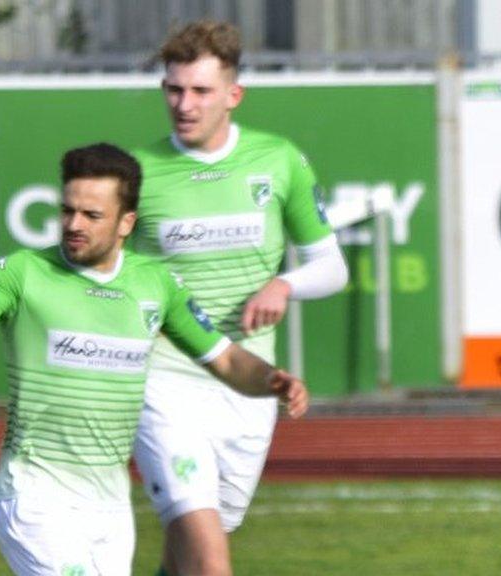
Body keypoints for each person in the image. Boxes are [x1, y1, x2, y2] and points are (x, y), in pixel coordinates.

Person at [0, 145, 308, 576]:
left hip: (111, 510)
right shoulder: (23, 273)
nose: (74, 225)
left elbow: (226, 360)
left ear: (126, 223)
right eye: (67, 211)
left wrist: (272, 380)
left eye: (91, 215)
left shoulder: (156, 284)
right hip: (36, 499)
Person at [129, 20, 350, 576]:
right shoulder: (135, 174)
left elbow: (331, 267)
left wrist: (285, 284)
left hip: (247, 383)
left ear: (234, 94)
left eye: (201, 91)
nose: (185, 103)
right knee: (209, 557)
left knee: (191, 548)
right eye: (174, 89)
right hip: (163, 380)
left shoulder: (278, 161)